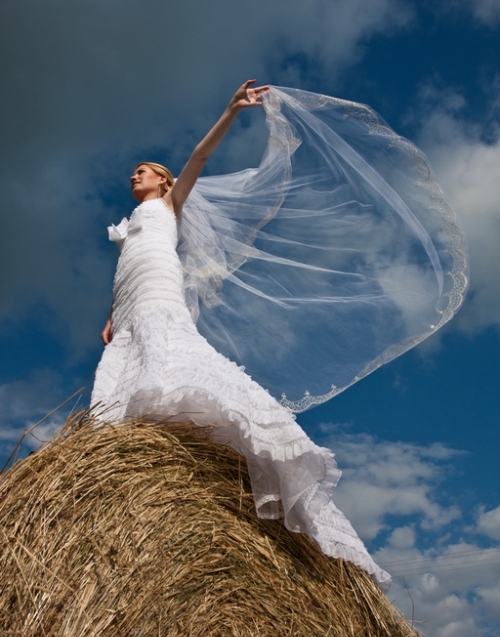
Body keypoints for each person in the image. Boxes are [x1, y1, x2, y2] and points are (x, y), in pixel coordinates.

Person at [91, 80, 467, 592]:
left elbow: (200, 155)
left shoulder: (171, 205)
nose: (133, 175)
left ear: (163, 181)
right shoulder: (131, 223)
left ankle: (212, 446)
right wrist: (112, 315)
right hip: (130, 302)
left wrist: (229, 111)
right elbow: (124, 271)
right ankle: (130, 468)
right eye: (133, 172)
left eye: (143, 170)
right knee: (122, 377)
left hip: (159, 292)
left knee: (168, 361)